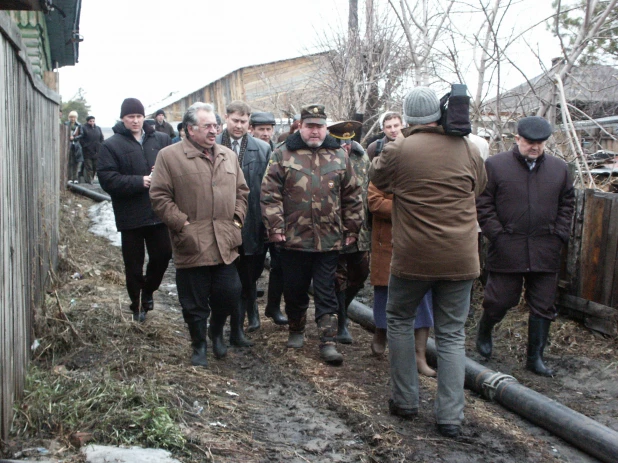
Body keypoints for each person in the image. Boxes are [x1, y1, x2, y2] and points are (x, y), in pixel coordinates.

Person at [369, 87, 486, 438]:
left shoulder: (399, 148)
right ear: (440, 113)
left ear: (406, 118)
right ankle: (450, 417)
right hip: (460, 257)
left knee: (400, 320)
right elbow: (480, 186)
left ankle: (405, 401)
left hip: (413, 257)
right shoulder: (467, 147)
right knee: (451, 335)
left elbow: (376, 177)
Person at [261, 104, 363, 365]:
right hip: (293, 239)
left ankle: (328, 341)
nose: (315, 131)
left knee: (327, 289)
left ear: (325, 127)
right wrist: (275, 228)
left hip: (329, 239)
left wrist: (352, 229)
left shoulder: (339, 156)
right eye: (310, 126)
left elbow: (352, 196)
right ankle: (296, 328)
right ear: (300, 126)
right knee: (294, 288)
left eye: (319, 126)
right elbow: (269, 194)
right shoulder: (283, 154)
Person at [150, 102, 249, 367]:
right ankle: (199, 345)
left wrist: (237, 221)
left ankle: (216, 332)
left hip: (225, 241)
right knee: (193, 301)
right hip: (192, 243)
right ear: (190, 129)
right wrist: (182, 226)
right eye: (207, 126)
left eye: (216, 125)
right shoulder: (169, 156)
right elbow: (159, 196)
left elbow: (242, 192)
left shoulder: (227, 155)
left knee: (229, 292)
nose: (214, 130)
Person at [476, 116, 575, 377]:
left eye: (540, 143)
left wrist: (559, 234)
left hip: (545, 247)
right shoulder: (495, 166)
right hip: (508, 245)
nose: (535, 147)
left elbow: (568, 204)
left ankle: (535, 358)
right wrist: (496, 234)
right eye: (530, 142)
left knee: (543, 304)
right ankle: (485, 330)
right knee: (500, 299)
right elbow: (483, 204)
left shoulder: (559, 169)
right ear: (517, 138)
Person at [98, 98, 173, 322]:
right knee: (133, 264)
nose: (135, 121)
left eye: (139, 116)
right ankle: (137, 305)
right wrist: (139, 181)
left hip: (158, 212)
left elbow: (175, 166)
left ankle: (148, 289)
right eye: (130, 117)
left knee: (163, 256)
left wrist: (162, 172)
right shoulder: (111, 145)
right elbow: (107, 179)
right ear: (123, 118)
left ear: (144, 117)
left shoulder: (160, 139)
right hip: (130, 215)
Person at [217, 101, 273, 343]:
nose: (239, 126)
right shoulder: (213, 145)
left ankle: (239, 327)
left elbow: (269, 190)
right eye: (234, 120)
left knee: (249, 276)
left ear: (249, 122)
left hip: (252, 225)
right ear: (226, 119)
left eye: (243, 121)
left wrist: (267, 224)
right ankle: (221, 328)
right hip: (219, 223)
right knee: (224, 280)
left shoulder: (262, 149)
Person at [327, 121, 371, 344]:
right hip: (335, 229)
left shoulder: (361, 158)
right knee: (338, 278)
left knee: (361, 274)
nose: (345, 146)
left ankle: (341, 309)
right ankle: (342, 322)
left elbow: (368, 191)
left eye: (348, 141)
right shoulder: (326, 158)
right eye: (340, 141)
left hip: (361, 230)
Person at [78, 115, 104, 184]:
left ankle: (92, 178)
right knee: (89, 167)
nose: (92, 122)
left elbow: (101, 138)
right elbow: (81, 138)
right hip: (87, 151)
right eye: (90, 121)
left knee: (95, 166)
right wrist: (85, 146)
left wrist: (100, 145)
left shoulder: (98, 128)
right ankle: (89, 180)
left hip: (96, 151)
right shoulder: (84, 128)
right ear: (87, 121)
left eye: (93, 121)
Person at [66, 111, 83, 183]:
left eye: (74, 117)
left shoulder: (79, 125)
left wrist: (74, 138)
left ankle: (75, 178)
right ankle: (69, 178)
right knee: (69, 162)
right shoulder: (66, 124)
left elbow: (82, 134)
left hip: (76, 145)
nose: (73, 119)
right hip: (68, 145)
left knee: (76, 163)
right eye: (71, 117)